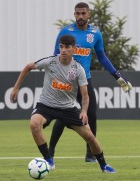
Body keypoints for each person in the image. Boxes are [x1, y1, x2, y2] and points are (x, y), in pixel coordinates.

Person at [10, 35, 116, 173]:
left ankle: (104, 165)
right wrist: (16, 87)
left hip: (67, 108)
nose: (64, 50)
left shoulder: (78, 69)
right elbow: (29, 67)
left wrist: (83, 111)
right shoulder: (50, 62)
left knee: (90, 137)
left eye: (67, 47)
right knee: (34, 124)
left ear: (74, 49)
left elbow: (85, 95)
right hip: (46, 106)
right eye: (61, 47)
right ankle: (49, 160)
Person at [49, 2, 132, 162]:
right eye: (78, 13)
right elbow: (55, 54)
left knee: (92, 115)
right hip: (66, 81)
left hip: (84, 81)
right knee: (62, 117)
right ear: (74, 14)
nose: (80, 16)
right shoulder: (66, 31)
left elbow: (102, 57)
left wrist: (117, 75)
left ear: (89, 14)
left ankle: (90, 154)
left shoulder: (95, 33)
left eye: (83, 13)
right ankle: (50, 152)